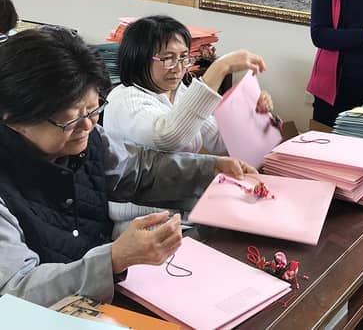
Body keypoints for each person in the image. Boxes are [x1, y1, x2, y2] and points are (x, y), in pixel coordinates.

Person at [0, 27, 256, 306]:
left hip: (99, 296)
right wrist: (113, 259)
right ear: (13, 119)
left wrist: (211, 170)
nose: (87, 125)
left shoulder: (89, 139)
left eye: (93, 110)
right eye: (70, 120)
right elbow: (16, 289)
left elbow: (139, 170)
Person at [104, 15, 273, 232]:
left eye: (184, 57)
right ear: (139, 58)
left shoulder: (179, 92)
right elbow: (168, 137)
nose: (178, 68)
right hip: (142, 222)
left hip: (185, 209)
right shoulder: (125, 99)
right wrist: (218, 69)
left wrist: (252, 114)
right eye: (167, 58)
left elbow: (221, 141)